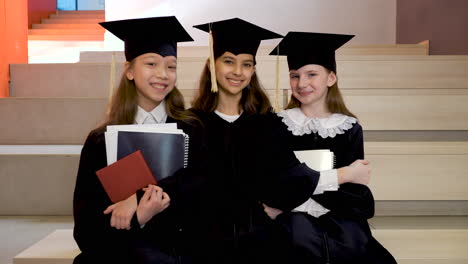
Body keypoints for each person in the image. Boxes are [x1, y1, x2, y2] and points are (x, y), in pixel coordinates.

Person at [181, 18, 372, 264]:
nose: (238, 71)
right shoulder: (191, 123)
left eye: (247, 64)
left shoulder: (266, 123)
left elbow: (282, 183)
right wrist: (343, 174)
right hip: (209, 229)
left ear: (253, 70)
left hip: (259, 227)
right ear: (212, 65)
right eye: (228, 61)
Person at [72, 16, 202, 264]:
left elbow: (203, 194)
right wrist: (138, 217)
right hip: (123, 250)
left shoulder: (193, 130)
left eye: (171, 66)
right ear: (129, 70)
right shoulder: (100, 141)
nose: (163, 74)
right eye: (151, 64)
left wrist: (139, 198)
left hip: (179, 249)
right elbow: (86, 228)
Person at [265, 31, 397, 263]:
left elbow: (356, 194)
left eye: (311, 74)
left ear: (331, 78)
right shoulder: (278, 125)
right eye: (295, 76)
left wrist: (298, 191)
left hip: (339, 222)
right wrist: (339, 177)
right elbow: (276, 185)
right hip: (293, 226)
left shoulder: (348, 128)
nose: (302, 83)